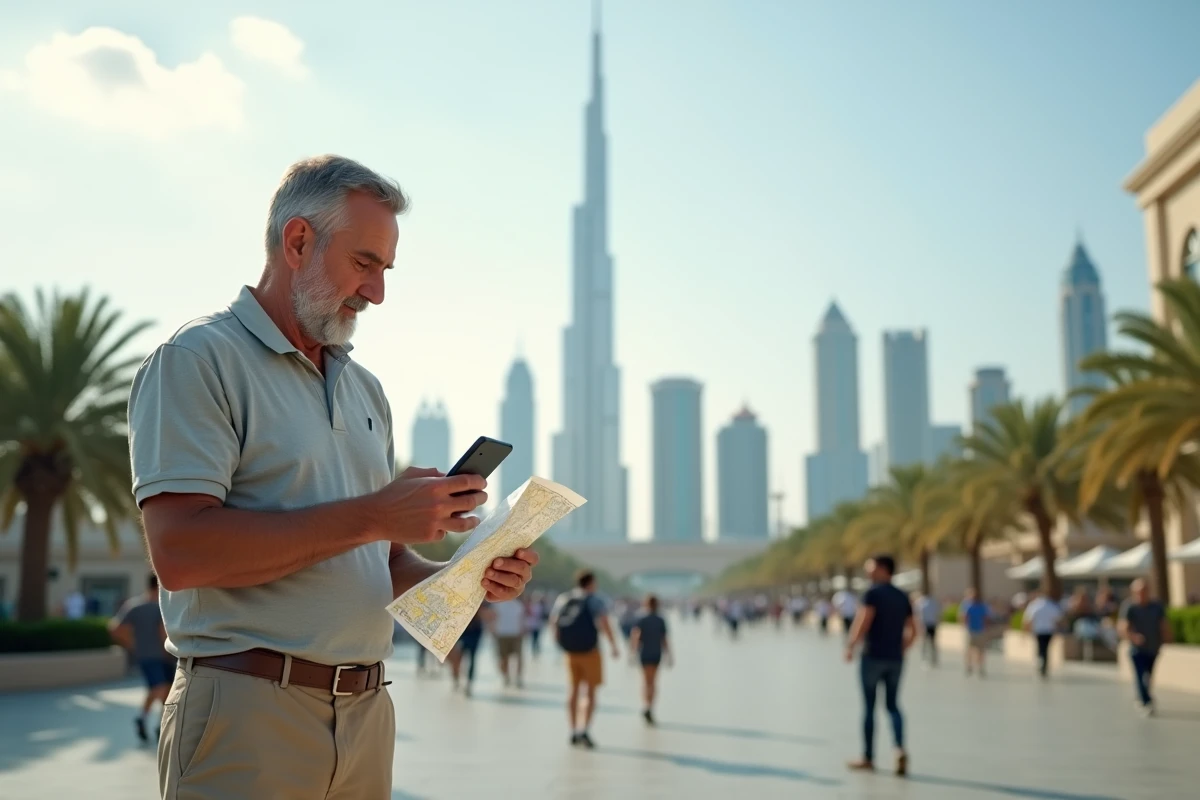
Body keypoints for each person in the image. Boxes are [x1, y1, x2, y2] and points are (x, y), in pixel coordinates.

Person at [128, 155, 539, 800]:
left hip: (367, 718)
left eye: (385, 270)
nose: (377, 293)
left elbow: (382, 560)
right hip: (247, 717)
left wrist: (468, 577)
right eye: (365, 263)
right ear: (298, 241)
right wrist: (378, 513)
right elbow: (180, 553)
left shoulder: (365, 391)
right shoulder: (196, 360)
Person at [845, 555, 914, 777]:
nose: (868, 571)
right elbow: (914, 629)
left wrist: (851, 645)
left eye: (871, 566)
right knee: (893, 705)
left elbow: (864, 620)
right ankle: (899, 748)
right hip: (895, 659)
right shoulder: (902, 596)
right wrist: (903, 647)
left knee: (869, 707)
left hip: (873, 656)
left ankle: (867, 757)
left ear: (883, 569)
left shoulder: (872, 593)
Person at [549, 571, 619, 749]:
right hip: (591, 651)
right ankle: (584, 729)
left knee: (573, 690)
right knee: (590, 692)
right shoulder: (595, 600)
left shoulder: (564, 598)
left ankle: (572, 730)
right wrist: (613, 645)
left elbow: (554, 621)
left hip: (571, 651)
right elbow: (604, 622)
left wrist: (559, 643)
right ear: (591, 583)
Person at [108, 574, 171, 743]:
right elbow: (116, 629)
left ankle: (155, 723)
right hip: (156, 656)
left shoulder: (135, 605)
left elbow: (115, 629)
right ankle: (148, 721)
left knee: (164, 691)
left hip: (157, 656)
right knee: (160, 688)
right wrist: (132, 645)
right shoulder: (159, 606)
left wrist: (132, 645)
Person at [1118, 579, 1173, 716]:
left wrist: (1167, 637)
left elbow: (1163, 624)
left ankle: (1144, 696)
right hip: (1137, 650)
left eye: (1144, 591)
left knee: (1148, 675)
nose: (1142, 594)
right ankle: (1145, 701)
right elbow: (1123, 627)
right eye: (1139, 592)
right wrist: (1133, 637)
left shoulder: (1156, 606)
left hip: (1153, 648)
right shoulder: (1129, 607)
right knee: (1140, 675)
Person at [628, 594, 672, 725]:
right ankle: (650, 706)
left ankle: (645, 704)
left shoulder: (641, 618)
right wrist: (669, 655)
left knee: (645, 681)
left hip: (644, 653)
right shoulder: (660, 619)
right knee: (653, 682)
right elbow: (664, 639)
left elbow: (636, 636)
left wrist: (632, 652)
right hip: (656, 653)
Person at [449, 606, 489, 697]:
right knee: (457, 659)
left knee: (471, 659)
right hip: (463, 633)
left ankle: (468, 684)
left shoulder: (479, 607)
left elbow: (485, 617)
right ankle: (456, 679)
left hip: (474, 633)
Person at [1023, 589, 1064, 679]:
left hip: (1039, 630)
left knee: (1040, 648)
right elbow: (1058, 618)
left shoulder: (1034, 605)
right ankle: (1044, 664)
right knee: (1046, 648)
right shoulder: (1051, 605)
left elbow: (1028, 618)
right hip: (1049, 630)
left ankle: (1041, 663)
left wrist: (1026, 630)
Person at [490, 597, 526, 688]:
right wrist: (493, 631)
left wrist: (522, 631)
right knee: (503, 657)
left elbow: (521, 619)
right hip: (502, 633)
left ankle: (518, 677)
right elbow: (494, 618)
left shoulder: (518, 604)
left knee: (518, 657)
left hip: (515, 634)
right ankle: (506, 676)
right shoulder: (497, 604)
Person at [958, 589, 990, 677]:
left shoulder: (982, 606)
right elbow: (963, 617)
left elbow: (986, 618)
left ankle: (980, 667)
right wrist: (964, 627)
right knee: (969, 650)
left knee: (981, 650)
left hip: (980, 630)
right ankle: (969, 666)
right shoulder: (967, 605)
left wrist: (985, 628)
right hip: (971, 630)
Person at [913, 592, 941, 666]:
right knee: (925, 642)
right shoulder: (921, 602)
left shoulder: (931, 602)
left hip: (931, 624)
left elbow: (937, 613)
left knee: (932, 642)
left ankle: (933, 658)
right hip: (926, 625)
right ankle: (925, 658)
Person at [525, 593, 547, 658]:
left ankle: (536, 650)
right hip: (532, 625)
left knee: (536, 638)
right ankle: (534, 651)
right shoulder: (530, 606)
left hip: (538, 625)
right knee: (533, 639)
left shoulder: (540, 606)